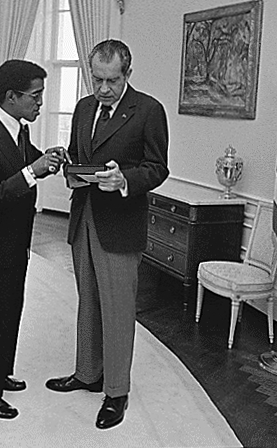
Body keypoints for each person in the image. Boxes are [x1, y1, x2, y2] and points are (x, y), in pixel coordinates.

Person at [45, 39, 169, 430]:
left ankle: (116, 391)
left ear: (127, 75)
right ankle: (87, 372)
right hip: (84, 219)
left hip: (120, 224)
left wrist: (124, 180)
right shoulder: (84, 107)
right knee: (88, 302)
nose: (102, 89)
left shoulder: (148, 110)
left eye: (111, 81)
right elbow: (78, 151)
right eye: (96, 79)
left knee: (117, 310)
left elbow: (157, 167)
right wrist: (68, 164)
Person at [0, 59, 65, 420]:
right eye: (35, 96)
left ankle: (0, 372)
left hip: (18, 240)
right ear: (12, 96)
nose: (40, 103)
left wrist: (47, 158)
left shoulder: (17, 128)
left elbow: (23, 160)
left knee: (12, 311)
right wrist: (31, 172)